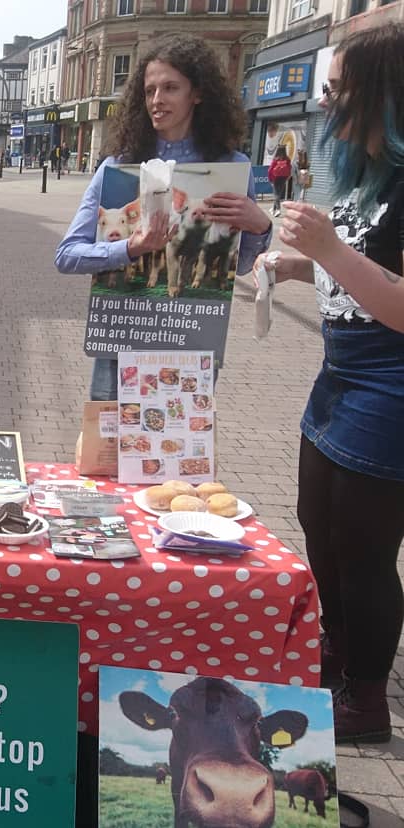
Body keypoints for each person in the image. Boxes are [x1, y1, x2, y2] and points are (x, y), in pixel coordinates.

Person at [253, 22, 404, 744]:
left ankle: (366, 700)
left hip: (389, 383)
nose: (325, 100)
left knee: (363, 549)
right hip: (340, 372)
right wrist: (298, 266)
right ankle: (334, 653)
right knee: (318, 523)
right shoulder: (364, 171)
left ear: (382, 94)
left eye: (340, 88)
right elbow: (356, 268)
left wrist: (328, 248)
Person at [54, 33, 272, 400]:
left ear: (197, 93)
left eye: (170, 88)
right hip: (121, 339)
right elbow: (68, 256)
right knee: (109, 454)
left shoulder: (230, 169)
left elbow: (240, 264)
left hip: (192, 340)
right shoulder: (118, 166)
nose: (157, 100)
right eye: (149, 90)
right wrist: (130, 248)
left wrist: (260, 227)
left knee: (179, 453)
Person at [268, 145, 292, 217]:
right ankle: (273, 209)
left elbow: (270, 170)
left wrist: (270, 179)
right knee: (278, 194)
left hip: (276, 178)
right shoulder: (287, 159)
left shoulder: (276, 159)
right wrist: (288, 177)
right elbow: (290, 168)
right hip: (284, 177)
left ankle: (278, 210)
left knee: (276, 194)